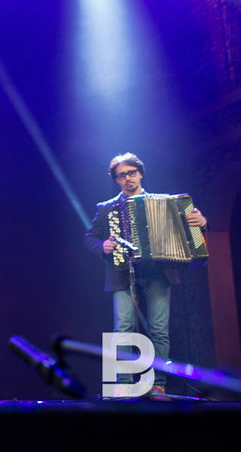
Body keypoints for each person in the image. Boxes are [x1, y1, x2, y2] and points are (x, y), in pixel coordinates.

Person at [83, 152, 207, 397]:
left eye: (131, 173)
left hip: (158, 273)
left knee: (159, 329)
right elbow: (90, 237)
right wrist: (102, 246)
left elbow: (192, 229)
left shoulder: (168, 204)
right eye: (121, 175)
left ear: (140, 174)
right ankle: (122, 384)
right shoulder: (107, 208)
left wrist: (202, 222)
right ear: (116, 180)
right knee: (123, 327)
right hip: (122, 274)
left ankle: (158, 384)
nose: (127, 178)